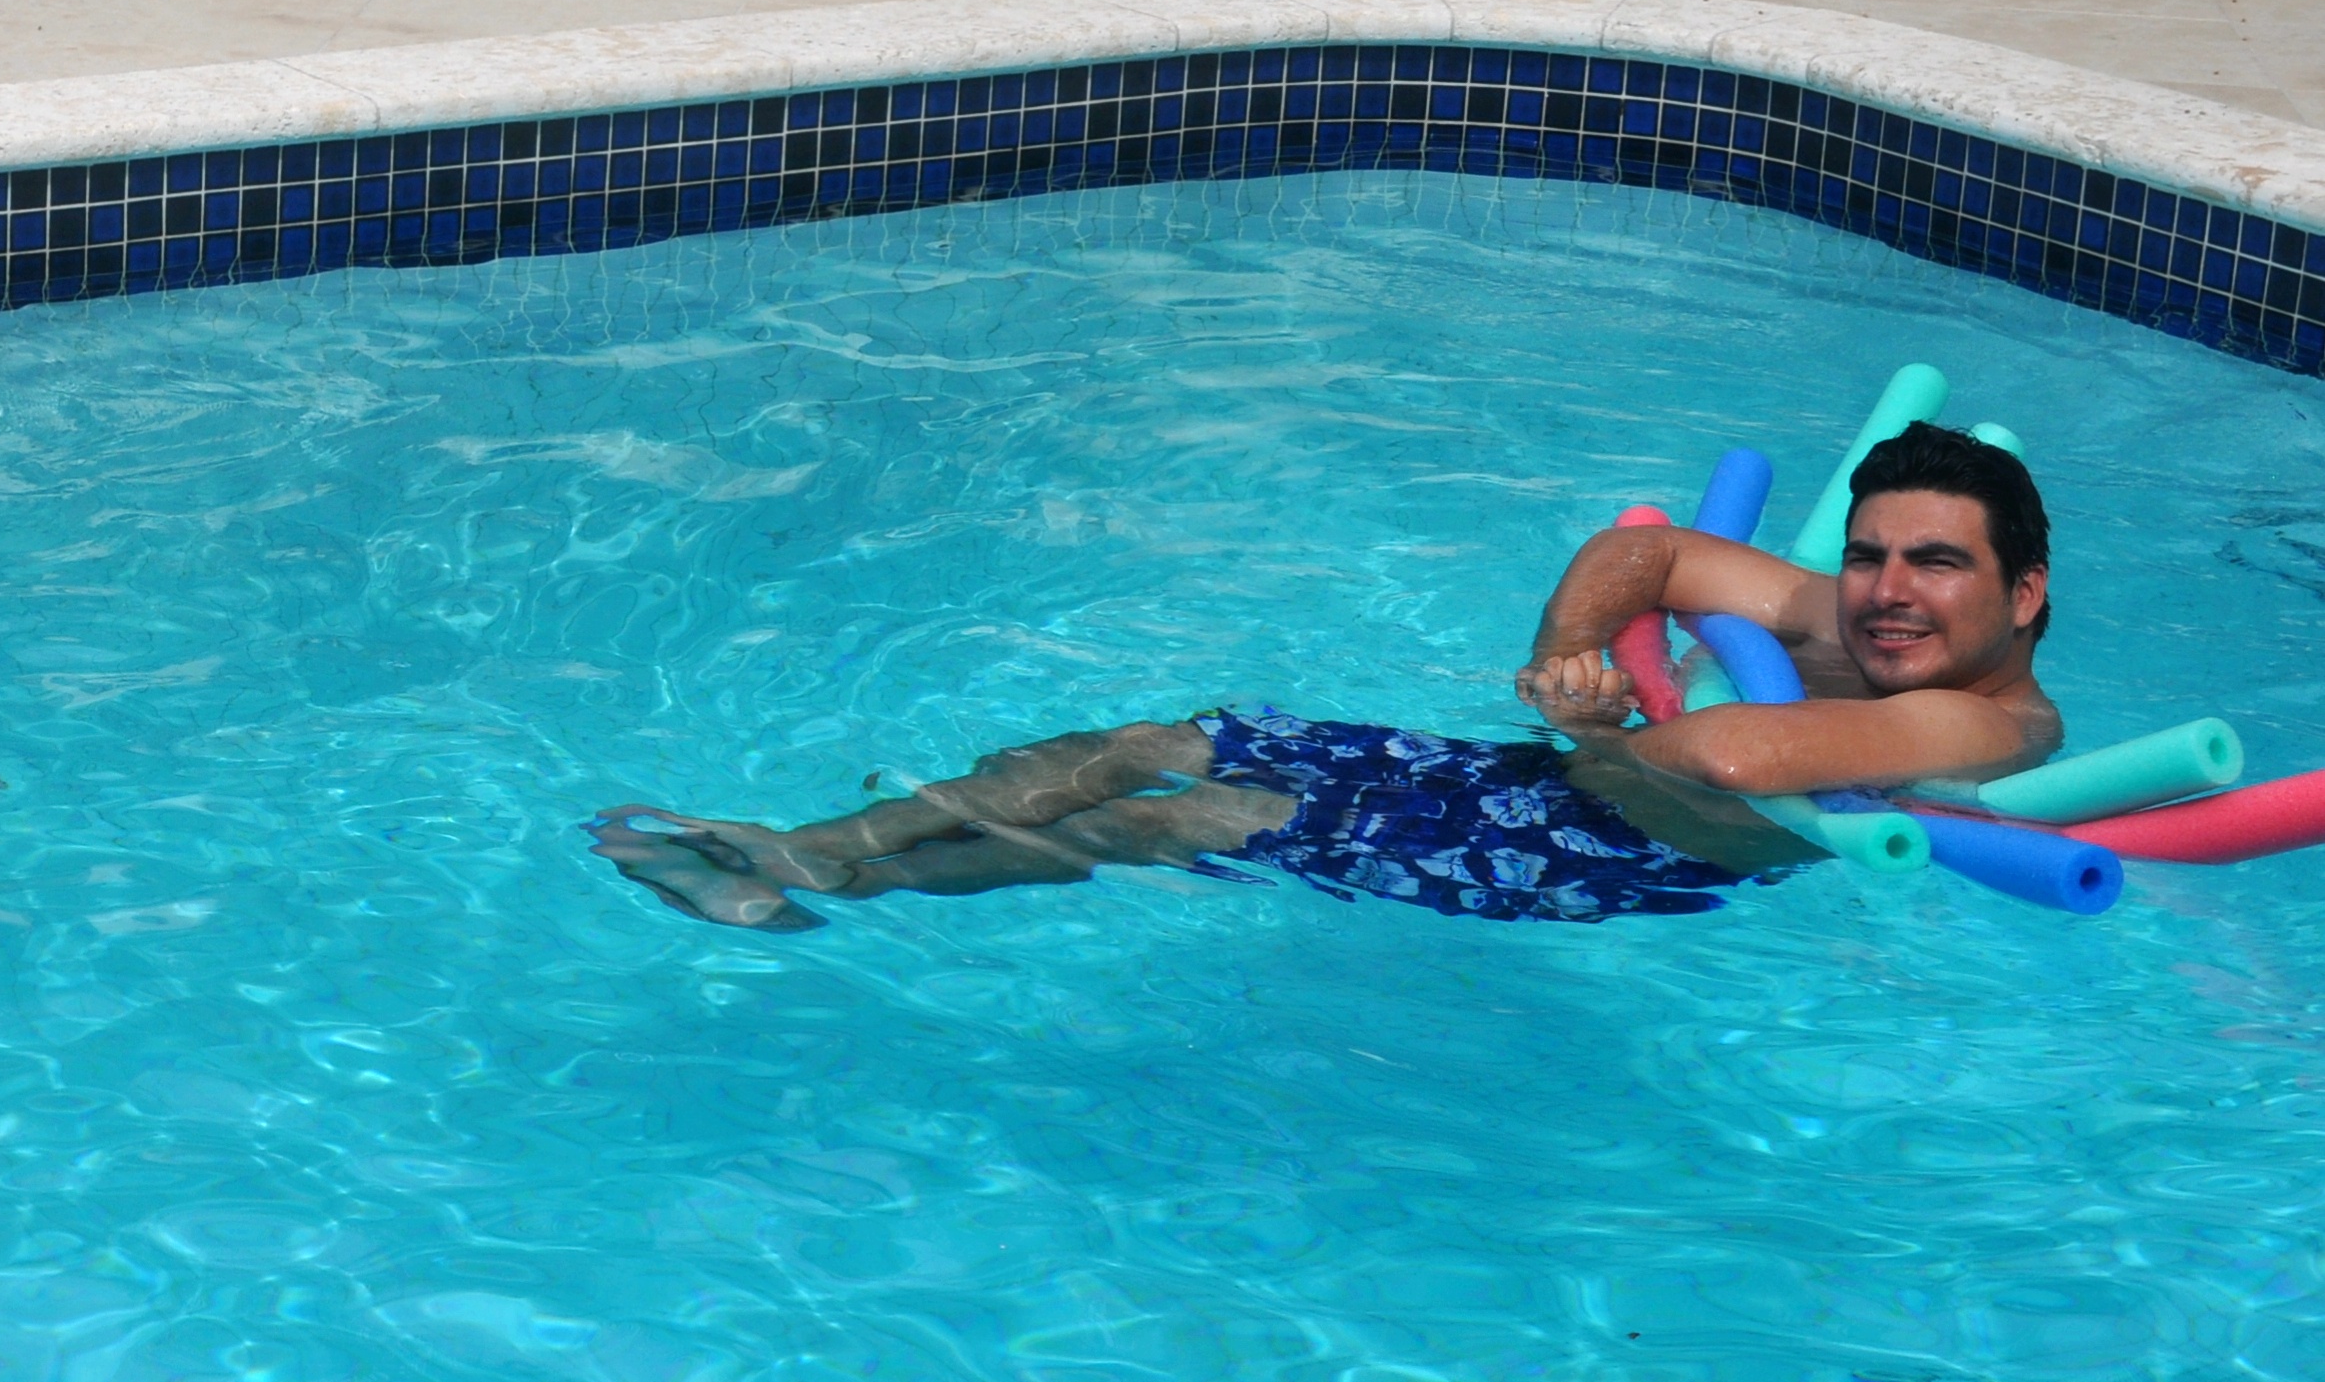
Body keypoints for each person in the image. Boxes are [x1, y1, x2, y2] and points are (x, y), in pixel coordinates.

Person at [593, 422, 2062, 931]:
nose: (1888, 590)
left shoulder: (1975, 718)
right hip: (1539, 776)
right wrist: (1565, 659)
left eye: (1935, 563)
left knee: (1173, 819)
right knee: (1160, 737)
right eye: (1872, 556)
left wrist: (1624, 728)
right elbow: (1653, 553)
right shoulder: (1847, 619)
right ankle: (805, 842)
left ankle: (832, 893)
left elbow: (1729, 763)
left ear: (2022, 592)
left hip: (1610, 856)